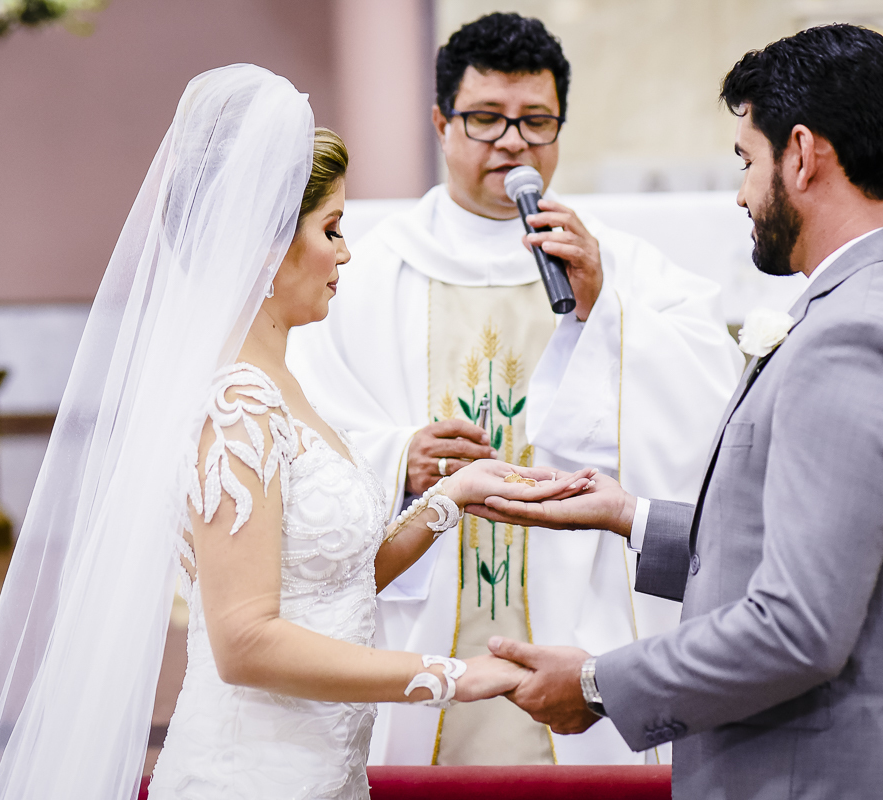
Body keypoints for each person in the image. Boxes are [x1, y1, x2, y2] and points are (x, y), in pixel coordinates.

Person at [0, 65, 590, 800]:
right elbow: (245, 642)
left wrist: (451, 500)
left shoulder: (281, 384)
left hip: (323, 771)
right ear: (266, 245)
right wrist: (457, 677)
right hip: (252, 777)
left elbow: (331, 586)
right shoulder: (236, 405)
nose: (345, 253)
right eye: (331, 229)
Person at [477, 25, 883, 800]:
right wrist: (631, 517)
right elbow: (848, 552)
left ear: (801, 152)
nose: (741, 193)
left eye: (747, 161)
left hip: (828, 775)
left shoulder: (854, 336)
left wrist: (593, 684)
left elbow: (798, 629)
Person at [287, 12, 742, 767]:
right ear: (441, 122)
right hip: (423, 613)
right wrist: (398, 454)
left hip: (580, 614)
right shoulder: (371, 267)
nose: (512, 143)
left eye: (536, 121)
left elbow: (712, 400)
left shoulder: (613, 263)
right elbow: (302, 410)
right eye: (487, 120)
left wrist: (607, 312)